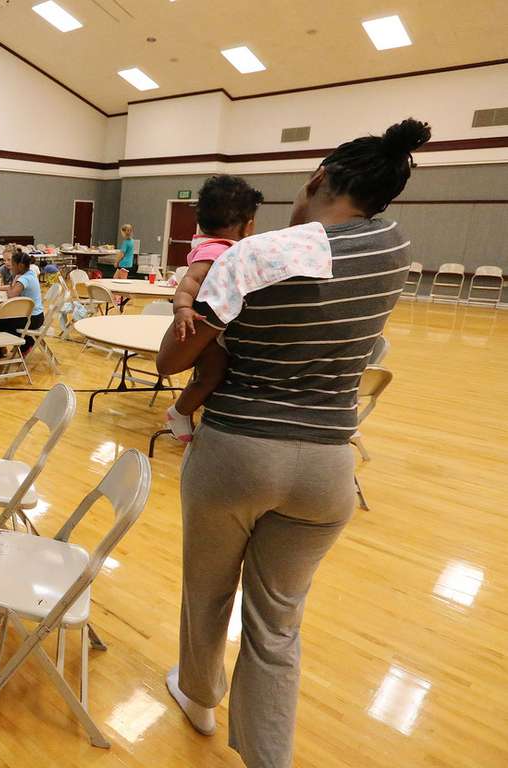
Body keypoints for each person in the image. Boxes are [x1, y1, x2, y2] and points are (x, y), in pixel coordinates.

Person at [155, 118, 430, 768]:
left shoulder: (257, 256)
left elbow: (175, 359)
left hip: (238, 452)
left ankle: (198, 696)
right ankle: (267, 757)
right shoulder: (394, 250)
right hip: (329, 468)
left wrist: (186, 299)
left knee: (209, 590)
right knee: (278, 624)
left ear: (317, 179)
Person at [164, 175, 264, 442]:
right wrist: (182, 307)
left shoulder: (221, 247)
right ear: (248, 226)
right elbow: (190, 280)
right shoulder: (216, 250)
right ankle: (179, 411)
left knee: (211, 375)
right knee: (211, 375)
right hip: (207, 326)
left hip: (217, 325)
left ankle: (184, 410)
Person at [0, 250, 43, 354]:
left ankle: (27, 342)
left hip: (31, 319)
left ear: (21, 266)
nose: (11, 267)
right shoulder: (30, 273)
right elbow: (13, 289)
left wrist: (14, 280)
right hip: (37, 316)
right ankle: (5, 348)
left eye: (13, 265)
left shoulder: (24, 279)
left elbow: (11, 294)